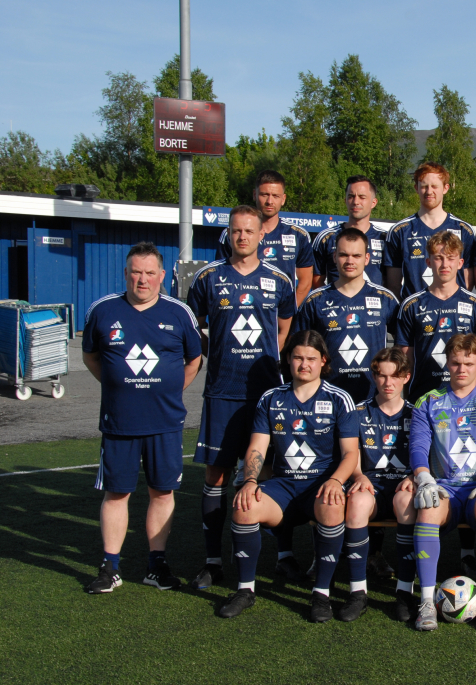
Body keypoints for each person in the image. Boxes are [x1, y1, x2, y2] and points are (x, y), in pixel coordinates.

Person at [83, 242, 203, 594]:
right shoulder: (103, 310)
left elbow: (194, 360)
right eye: (136, 272)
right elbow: (91, 357)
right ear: (126, 273)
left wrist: (169, 391)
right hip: (120, 423)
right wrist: (117, 386)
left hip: (165, 423)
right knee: (116, 493)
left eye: (150, 273)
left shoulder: (179, 313)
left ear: (162, 275)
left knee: (162, 493)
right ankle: (110, 567)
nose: (142, 279)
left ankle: (156, 565)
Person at [186, 205, 295, 590]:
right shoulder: (208, 278)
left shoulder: (279, 280)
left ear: (262, 235)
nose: (243, 237)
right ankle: (213, 561)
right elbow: (193, 327)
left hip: (266, 394)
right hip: (221, 392)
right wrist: (215, 353)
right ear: (228, 234)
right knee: (216, 474)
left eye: (249, 231)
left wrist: (268, 363)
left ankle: (283, 556)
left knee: (272, 472)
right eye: (236, 231)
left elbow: (283, 329)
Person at [216, 331, 360, 621]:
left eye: (311, 358)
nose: (304, 364)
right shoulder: (271, 398)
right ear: (288, 360)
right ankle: (245, 590)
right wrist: (250, 481)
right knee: (245, 506)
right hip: (282, 486)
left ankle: (321, 593)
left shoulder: (339, 398)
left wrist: (335, 481)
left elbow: (350, 454)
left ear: (323, 361)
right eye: (297, 357)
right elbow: (257, 447)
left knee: (332, 505)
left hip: (319, 486)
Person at [408, 334, 476, 632]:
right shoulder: (428, 401)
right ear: (447, 363)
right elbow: (418, 446)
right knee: (428, 508)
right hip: (444, 487)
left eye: (468, 363)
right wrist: (424, 478)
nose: (461, 369)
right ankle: (427, 601)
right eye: (455, 363)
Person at [336, 348, 416, 622]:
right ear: (374, 377)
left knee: (406, 502)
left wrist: (414, 477)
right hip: (370, 485)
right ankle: (358, 592)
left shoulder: (417, 413)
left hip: (403, 486)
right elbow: (351, 453)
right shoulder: (357, 412)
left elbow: (426, 456)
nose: (387, 383)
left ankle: (404, 591)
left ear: (406, 377)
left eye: (394, 376)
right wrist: (358, 476)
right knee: (357, 503)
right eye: (381, 376)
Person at [293, 228, 399, 402]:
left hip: (373, 398)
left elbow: (403, 347)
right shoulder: (315, 301)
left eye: (356, 256)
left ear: (367, 259)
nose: (350, 261)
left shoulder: (385, 299)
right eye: (343, 255)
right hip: (327, 397)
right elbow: (298, 349)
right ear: (334, 257)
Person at [395, 231, 476, 404]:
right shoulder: (411, 305)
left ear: (460, 263)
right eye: (438, 258)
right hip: (423, 397)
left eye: (451, 258)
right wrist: (408, 397)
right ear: (428, 262)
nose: (445, 264)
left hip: (464, 400)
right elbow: (406, 360)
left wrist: (464, 385)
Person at [216, 170, 314, 306]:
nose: (269, 201)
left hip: (281, 313)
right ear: (255, 195)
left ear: (283, 199)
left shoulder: (298, 235)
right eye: (264, 195)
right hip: (241, 306)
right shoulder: (232, 234)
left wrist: (288, 312)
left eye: (275, 196)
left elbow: (306, 282)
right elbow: (220, 276)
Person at [385, 162, 475, 301]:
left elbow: (467, 281)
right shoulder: (400, 231)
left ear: (445, 188)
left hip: (454, 308)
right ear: (416, 188)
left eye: (434, 186)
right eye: (424, 186)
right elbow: (393, 285)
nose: (429, 191)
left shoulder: (463, 230)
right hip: (415, 311)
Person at [311, 175, 389, 288]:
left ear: (373, 202)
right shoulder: (326, 238)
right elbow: (316, 281)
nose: (356, 201)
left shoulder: (385, 238)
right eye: (351, 196)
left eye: (362, 197)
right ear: (345, 201)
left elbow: (392, 282)